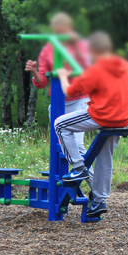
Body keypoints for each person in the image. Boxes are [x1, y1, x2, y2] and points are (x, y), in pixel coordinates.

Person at [54, 31, 128, 218]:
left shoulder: (94, 70)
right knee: (104, 156)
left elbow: (68, 90)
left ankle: (78, 168)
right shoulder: (125, 65)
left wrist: (62, 74)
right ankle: (98, 201)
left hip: (102, 117)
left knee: (60, 124)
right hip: (123, 120)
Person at [25, 12, 93, 183]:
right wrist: (34, 71)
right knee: (62, 147)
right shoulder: (48, 49)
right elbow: (41, 82)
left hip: (81, 100)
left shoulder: (81, 46)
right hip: (58, 103)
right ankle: (66, 182)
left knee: (77, 145)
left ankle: (95, 188)